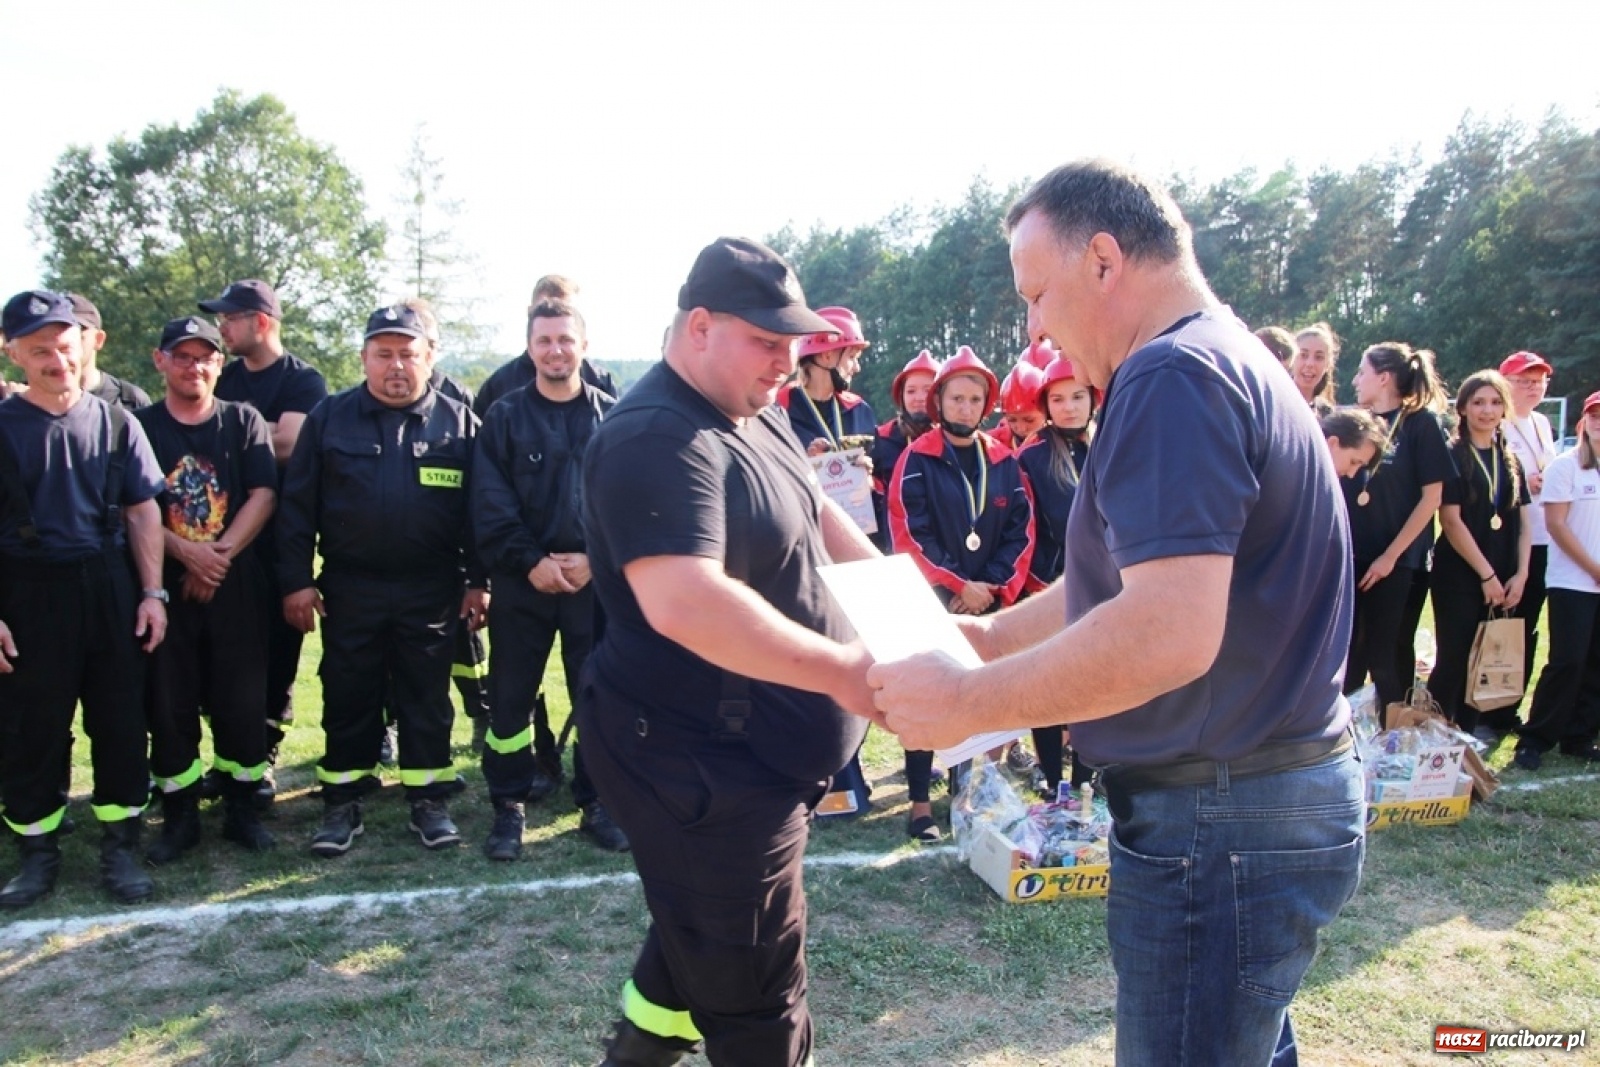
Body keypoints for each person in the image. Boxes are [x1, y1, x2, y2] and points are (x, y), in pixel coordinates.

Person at [868, 161, 1365, 1066]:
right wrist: (985, 639)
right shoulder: (1219, 355)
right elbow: (1122, 578)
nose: (1034, 329)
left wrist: (969, 702)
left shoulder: (1173, 375)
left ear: (1103, 260)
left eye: (1037, 294)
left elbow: (1166, 630)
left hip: (1221, 815)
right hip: (1249, 802)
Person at [578, 237, 877, 1066]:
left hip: (754, 755)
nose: (788, 361)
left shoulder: (756, 409)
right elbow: (687, 601)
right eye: (768, 342)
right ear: (699, 326)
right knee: (759, 1002)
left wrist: (912, 618)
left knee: (699, 941)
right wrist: (852, 674)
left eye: (793, 344)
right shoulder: (657, 437)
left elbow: (818, 513)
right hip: (699, 766)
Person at [276, 304, 487, 856]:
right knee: (349, 692)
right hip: (352, 587)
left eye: (408, 354)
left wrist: (479, 579)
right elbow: (297, 508)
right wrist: (296, 581)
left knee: (427, 697)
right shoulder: (329, 418)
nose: (396, 366)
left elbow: (481, 512)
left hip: (433, 588)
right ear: (365, 357)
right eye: (384, 354)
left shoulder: (460, 423)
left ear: (429, 357)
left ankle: (428, 800)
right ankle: (342, 804)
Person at [0, 290, 168, 908]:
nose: (55, 359)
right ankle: (37, 854)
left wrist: (153, 593)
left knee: (121, 723)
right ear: (13, 352)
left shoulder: (118, 422)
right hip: (26, 592)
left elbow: (143, 510)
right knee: (31, 729)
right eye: (39, 349)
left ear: (83, 345)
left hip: (108, 586)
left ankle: (120, 847)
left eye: (63, 346)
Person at [474, 297, 627, 858]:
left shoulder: (614, 417)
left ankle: (598, 802)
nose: (555, 350)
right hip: (524, 582)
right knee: (510, 700)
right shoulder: (504, 417)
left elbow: (628, 503)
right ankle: (508, 806)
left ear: (583, 347)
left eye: (566, 340)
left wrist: (594, 557)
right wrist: (530, 561)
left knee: (599, 696)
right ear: (530, 348)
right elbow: (490, 503)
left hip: (596, 584)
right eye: (544, 341)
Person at [136, 316, 279, 861]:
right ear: (161, 361)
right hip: (164, 587)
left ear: (220, 363)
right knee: (169, 705)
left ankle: (242, 809)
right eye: (182, 356)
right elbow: (138, 508)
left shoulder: (242, 421)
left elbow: (263, 494)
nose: (194, 366)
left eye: (205, 356)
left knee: (241, 702)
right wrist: (188, 555)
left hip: (235, 581)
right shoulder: (141, 427)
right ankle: (179, 816)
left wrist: (216, 558)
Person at [887, 346, 1035, 838]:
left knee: (971, 696)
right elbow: (909, 531)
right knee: (925, 690)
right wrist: (954, 585)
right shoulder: (917, 458)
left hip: (986, 601)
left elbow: (1022, 529)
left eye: (975, 399)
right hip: (931, 596)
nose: (966, 408)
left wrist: (993, 588)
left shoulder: (1005, 461)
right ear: (939, 402)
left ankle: (964, 799)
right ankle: (918, 806)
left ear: (986, 404)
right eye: (957, 398)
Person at [203, 278, 329, 801]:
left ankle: (266, 757)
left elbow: (290, 443)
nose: (221, 329)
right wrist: (255, 437)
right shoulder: (225, 378)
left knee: (277, 657)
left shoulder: (303, 380)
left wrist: (237, 436)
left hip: (282, 543)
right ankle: (230, 758)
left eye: (229, 319)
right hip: (225, 542)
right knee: (223, 658)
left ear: (261, 322)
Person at [1344, 341, 1454, 720]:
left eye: (1362, 371)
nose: (1355, 379)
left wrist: (1390, 557)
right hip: (1353, 557)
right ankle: (1347, 736)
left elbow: (1431, 498)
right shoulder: (1358, 421)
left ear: (1385, 377)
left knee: (1386, 651)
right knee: (1350, 651)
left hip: (1396, 562)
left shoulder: (1421, 424)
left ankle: (1396, 739)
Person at [1431, 372, 1531, 734]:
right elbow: (1451, 520)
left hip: (1503, 576)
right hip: (1460, 574)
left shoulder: (1510, 459)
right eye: (1478, 402)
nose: (1487, 410)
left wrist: (1520, 574)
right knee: (1454, 662)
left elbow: (1522, 522)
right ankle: (1436, 744)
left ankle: (1469, 742)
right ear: (1463, 408)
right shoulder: (1452, 455)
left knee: (1483, 665)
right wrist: (1486, 575)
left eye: (1495, 402)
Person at [1016, 356, 1097, 796]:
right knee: (1047, 689)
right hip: (1046, 590)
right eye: (1058, 398)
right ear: (1045, 403)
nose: (1068, 407)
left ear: (1092, 399)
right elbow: (1023, 531)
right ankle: (1050, 779)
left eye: (1077, 396)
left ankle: (1085, 780)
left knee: (1092, 690)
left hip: (1102, 592)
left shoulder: (1109, 444)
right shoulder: (1030, 455)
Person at [1514, 392, 1600, 770]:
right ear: (1583, 422)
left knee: (1596, 662)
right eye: (1594, 415)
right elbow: (1556, 525)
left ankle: (1579, 737)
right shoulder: (1566, 466)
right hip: (1573, 581)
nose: (1599, 422)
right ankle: (1535, 738)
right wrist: (1595, 569)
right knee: (1567, 659)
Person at [1498, 350, 1560, 736]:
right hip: (1510, 541)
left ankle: (1510, 709)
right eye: (1524, 380)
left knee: (1528, 628)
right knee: (1505, 628)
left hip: (1544, 540)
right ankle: (1491, 710)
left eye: (1538, 381)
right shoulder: (1498, 422)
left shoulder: (1541, 423)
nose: (1533, 387)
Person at [475, 275, 619, 415]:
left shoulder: (600, 383)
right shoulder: (499, 386)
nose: (554, 315)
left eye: (566, 310)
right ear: (529, 312)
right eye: (543, 309)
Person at [777, 305, 877, 456]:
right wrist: (805, 464)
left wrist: (868, 478)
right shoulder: (777, 411)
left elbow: (882, 474)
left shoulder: (859, 411)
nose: (857, 368)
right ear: (827, 356)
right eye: (851, 357)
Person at [68, 293, 152, 409]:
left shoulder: (129, 400)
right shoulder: (38, 403)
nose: (68, 345)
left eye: (77, 336)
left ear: (98, 339)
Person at [1292, 322, 1340, 412]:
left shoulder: (1327, 415)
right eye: (1303, 355)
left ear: (1328, 364)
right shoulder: (1275, 403)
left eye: (1319, 357)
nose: (1310, 364)